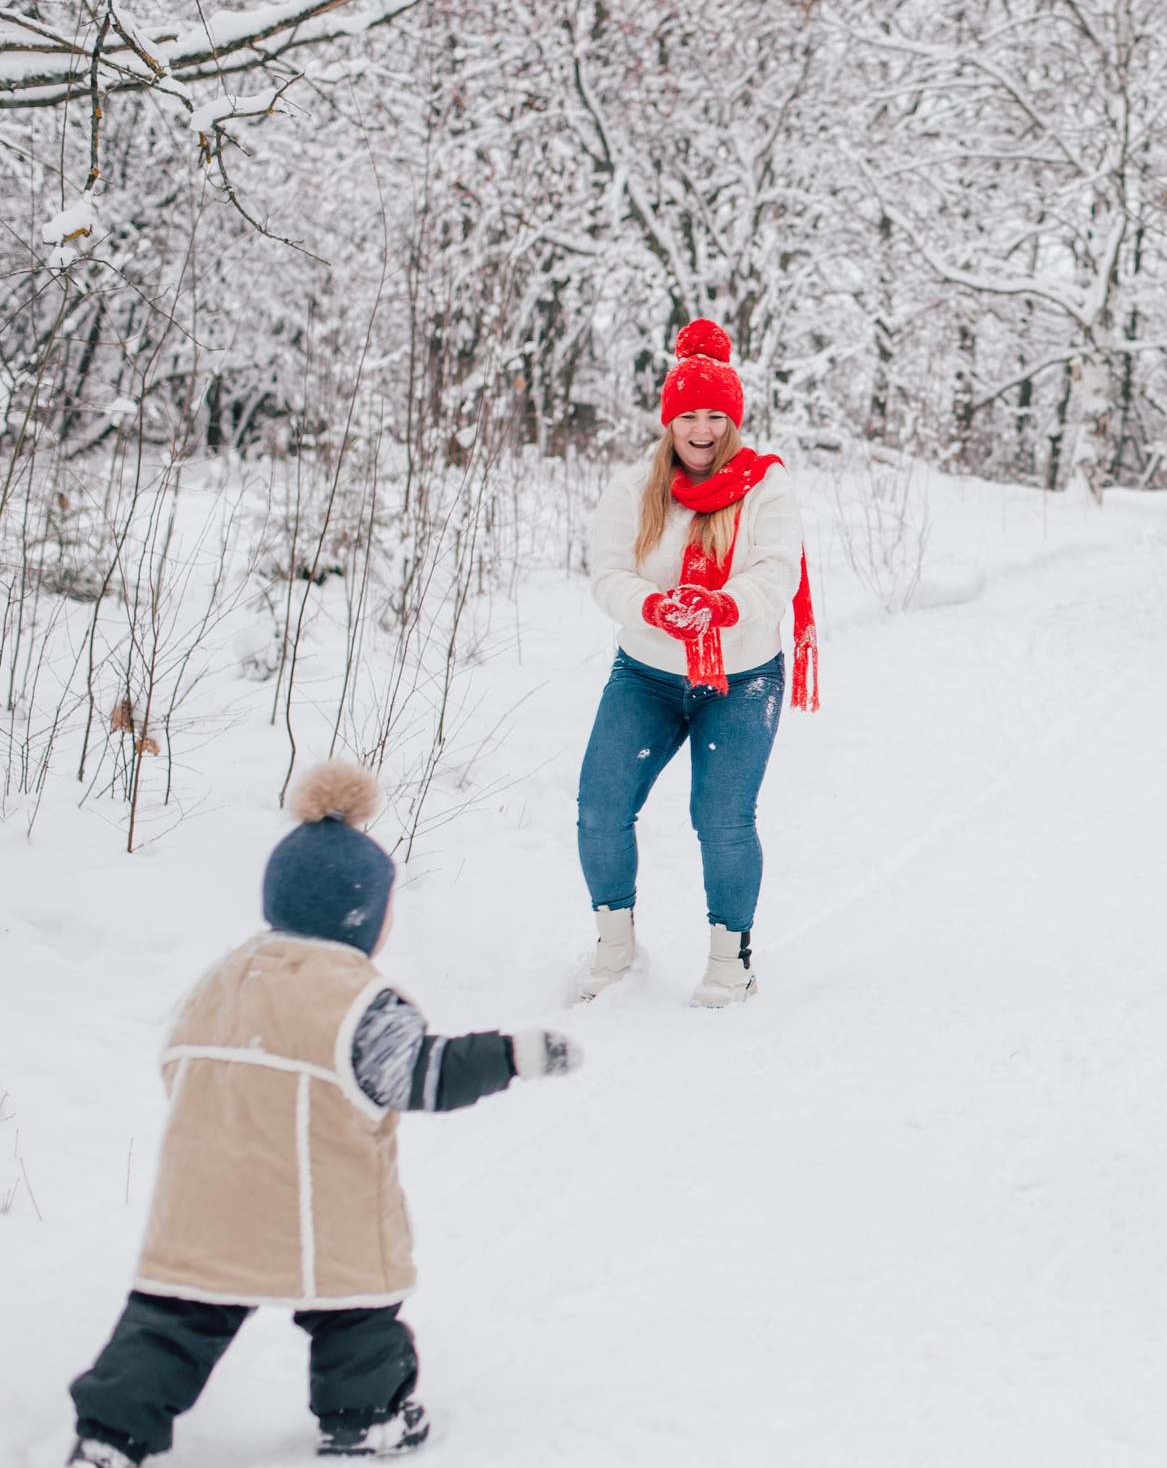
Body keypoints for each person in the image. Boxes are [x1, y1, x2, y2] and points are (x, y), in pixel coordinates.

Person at [64, 762, 583, 1465]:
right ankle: (365, 1418)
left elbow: (177, 1064)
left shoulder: (221, 979)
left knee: (171, 1321)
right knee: (355, 1317)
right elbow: (422, 1074)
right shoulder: (356, 1000)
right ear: (362, 917)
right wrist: (512, 1053)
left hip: (204, 1205)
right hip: (317, 1212)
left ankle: (111, 1433)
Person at [575, 317, 818, 1007]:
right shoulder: (633, 488)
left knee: (722, 817)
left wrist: (720, 607)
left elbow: (776, 572)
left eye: (716, 415)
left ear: (733, 420)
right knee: (600, 806)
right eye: (689, 415)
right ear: (669, 420)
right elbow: (607, 571)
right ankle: (615, 947)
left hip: (740, 677)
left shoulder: (764, 486)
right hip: (646, 672)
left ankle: (729, 960)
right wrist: (653, 608)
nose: (702, 429)